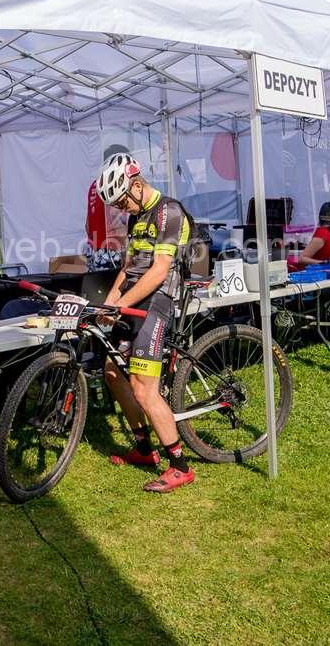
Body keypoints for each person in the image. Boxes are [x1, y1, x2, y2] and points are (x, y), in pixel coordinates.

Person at [95, 153, 196, 493]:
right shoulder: (135, 217)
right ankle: (143, 448)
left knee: (143, 388)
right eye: (116, 204)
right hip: (133, 300)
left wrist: (121, 304)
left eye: (122, 200)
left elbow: (158, 271)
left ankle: (180, 465)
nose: (121, 208)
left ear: (136, 185)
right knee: (112, 371)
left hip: (158, 302)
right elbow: (128, 267)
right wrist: (110, 301)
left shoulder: (169, 211)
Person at [289, 201, 330, 268]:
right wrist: (324, 263)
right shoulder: (322, 234)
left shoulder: (329, 233)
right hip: (317, 272)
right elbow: (302, 259)